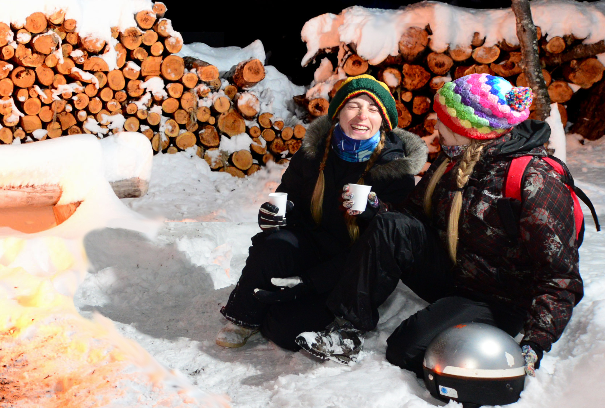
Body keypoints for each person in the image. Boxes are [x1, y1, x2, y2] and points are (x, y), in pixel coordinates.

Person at [297, 73, 584, 376]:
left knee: (405, 350)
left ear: (467, 129)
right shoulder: (454, 157)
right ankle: (345, 330)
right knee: (391, 225)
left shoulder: (535, 181)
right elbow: (411, 217)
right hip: (454, 272)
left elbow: (560, 277)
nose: (436, 125)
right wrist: (376, 208)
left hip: (500, 299)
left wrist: (535, 343)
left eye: (444, 120)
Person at [215, 75, 427, 350]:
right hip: (312, 245)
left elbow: (389, 246)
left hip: (352, 270)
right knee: (272, 244)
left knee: (284, 331)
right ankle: (243, 315)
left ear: (384, 121)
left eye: (373, 109)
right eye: (354, 106)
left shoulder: (396, 169)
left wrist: (373, 212)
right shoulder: (314, 152)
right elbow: (287, 195)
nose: (362, 116)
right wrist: (275, 213)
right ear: (338, 111)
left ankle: (283, 306)